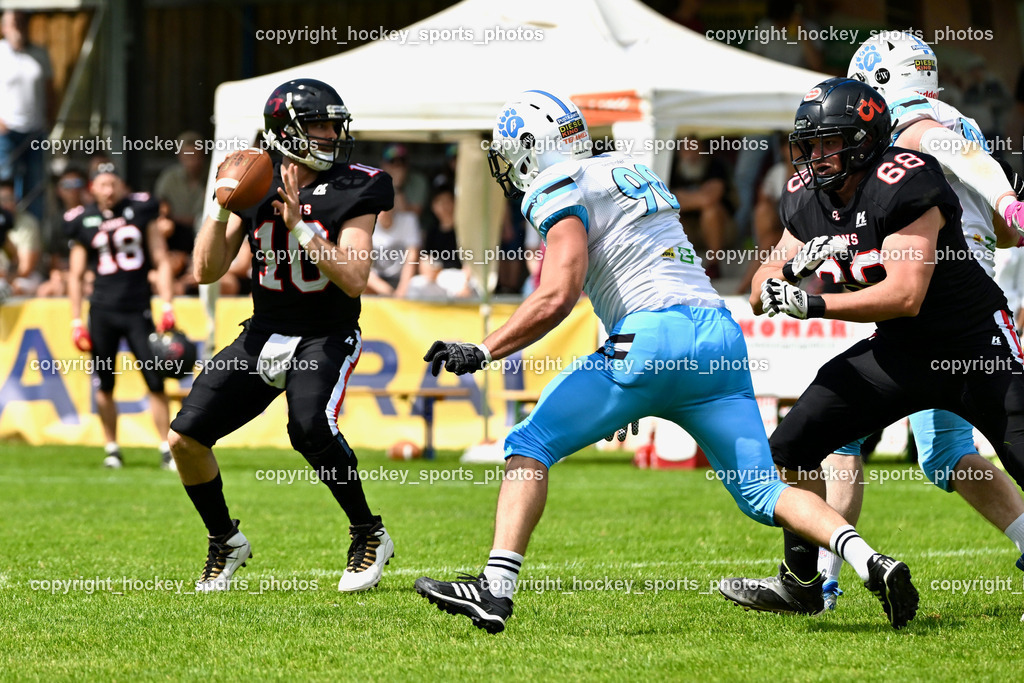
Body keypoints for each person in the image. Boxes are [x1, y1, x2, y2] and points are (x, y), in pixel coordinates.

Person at [414, 89, 918, 634]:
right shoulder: (625, 169)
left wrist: (484, 349)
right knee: (763, 491)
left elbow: (558, 292)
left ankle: (495, 589)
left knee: (529, 445)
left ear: (532, 148)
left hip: (651, 342)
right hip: (718, 339)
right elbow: (633, 267)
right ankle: (872, 561)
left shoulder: (554, 183)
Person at [717, 77, 1024, 620]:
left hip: (973, 342)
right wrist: (785, 273)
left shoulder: (903, 180)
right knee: (790, 447)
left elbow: (905, 295)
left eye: (827, 143)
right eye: (807, 145)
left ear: (863, 139)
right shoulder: (805, 196)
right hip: (900, 352)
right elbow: (763, 280)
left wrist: (814, 305)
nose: (813, 157)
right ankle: (802, 582)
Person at [800, 33, 1024, 611]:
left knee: (839, 430)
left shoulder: (915, 129)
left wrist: (1008, 201)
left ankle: (820, 579)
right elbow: (1002, 234)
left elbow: (978, 181)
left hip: (937, 300)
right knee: (948, 453)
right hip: (963, 295)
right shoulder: (957, 121)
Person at [166, 79, 396, 593]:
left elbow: (355, 278)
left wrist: (299, 225)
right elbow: (205, 270)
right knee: (185, 439)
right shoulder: (257, 179)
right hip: (265, 330)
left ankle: (369, 533)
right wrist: (221, 205)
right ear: (286, 132)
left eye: (335, 123)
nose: (332, 134)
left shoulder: (358, 184)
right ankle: (225, 540)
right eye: (319, 124)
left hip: (326, 333)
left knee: (310, 428)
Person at [65, 164, 177, 469]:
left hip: (137, 307)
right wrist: (76, 321)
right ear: (93, 188)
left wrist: (167, 304)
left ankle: (166, 447)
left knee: (154, 380)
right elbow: (74, 275)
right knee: (104, 383)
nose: (108, 190)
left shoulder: (141, 210)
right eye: (102, 184)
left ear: (122, 185)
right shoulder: (83, 219)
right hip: (101, 310)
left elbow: (160, 257)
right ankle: (111, 447)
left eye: (113, 183)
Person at [0, 10, 51, 220]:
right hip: (6, 132)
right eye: (13, 23)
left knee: (35, 186)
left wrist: (50, 118)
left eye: (22, 23)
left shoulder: (40, 54)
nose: (18, 28)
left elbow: (50, 89)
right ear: (3, 27)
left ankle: (34, 236)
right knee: (5, 183)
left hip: (36, 131)